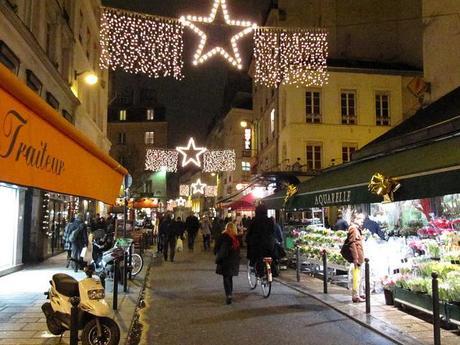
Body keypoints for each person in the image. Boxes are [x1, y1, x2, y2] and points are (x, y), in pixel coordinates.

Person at [214, 222, 240, 305]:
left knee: (226, 277)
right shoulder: (236, 237)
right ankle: (230, 293)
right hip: (233, 260)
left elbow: (216, 247)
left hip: (225, 259)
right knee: (230, 277)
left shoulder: (223, 236)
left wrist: (216, 253)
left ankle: (228, 294)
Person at [246, 204, 275, 276]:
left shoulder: (254, 221)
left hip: (257, 244)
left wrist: (247, 239)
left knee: (256, 255)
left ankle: (255, 268)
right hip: (269, 244)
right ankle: (272, 270)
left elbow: (249, 232)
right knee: (270, 255)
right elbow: (273, 231)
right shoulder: (270, 220)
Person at [348, 212, 366, 303]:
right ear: (354, 219)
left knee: (359, 276)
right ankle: (355, 296)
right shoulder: (353, 229)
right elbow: (352, 244)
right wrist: (355, 258)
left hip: (359, 258)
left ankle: (359, 293)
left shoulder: (357, 229)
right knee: (356, 277)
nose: (362, 221)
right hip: (357, 259)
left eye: (362, 219)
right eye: (360, 219)